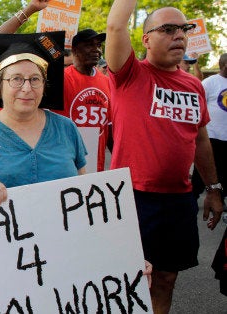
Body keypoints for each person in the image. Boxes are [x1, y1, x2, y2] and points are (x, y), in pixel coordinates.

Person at [105, 2, 223, 312]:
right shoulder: (129, 73)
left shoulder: (194, 85)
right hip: (134, 197)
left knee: (166, 277)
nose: (179, 36)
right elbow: (116, 25)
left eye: (183, 29)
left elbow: (199, 139)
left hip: (179, 199)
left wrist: (213, 188)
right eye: (167, 29)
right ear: (145, 39)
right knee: (129, 278)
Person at [0, 31, 87, 202]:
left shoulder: (66, 128)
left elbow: (84, 186)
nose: (26, 88)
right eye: (16, 79)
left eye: (35, 79)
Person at [52, 28, 112, 172]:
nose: (96, 50)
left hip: (95, 164)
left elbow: (109, 127)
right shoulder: (59, 79)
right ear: (75, 50)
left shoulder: (107, 82)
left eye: (98, 45)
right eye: (89, 45)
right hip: (64, 163)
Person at [192, 53, 227, 200]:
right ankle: (192, 197)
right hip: (212, 137)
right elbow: (199, 106)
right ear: (225, 65)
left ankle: (220, 198)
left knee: (224, 173)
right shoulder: (210, 83)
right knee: (202, 173)